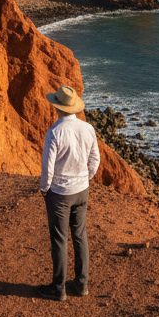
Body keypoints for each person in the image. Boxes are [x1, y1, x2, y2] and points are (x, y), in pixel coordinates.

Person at [38, 85, 100, 301]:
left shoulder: (55, 132)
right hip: (82, 190)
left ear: (57, 107)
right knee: (80, 236)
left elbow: (48, 167)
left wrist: (44, 188)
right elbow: (95, 159)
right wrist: (85, 177)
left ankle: (59, 288)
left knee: (60, 239)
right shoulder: (88, 128)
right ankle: (81, 284)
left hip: (60, 193)